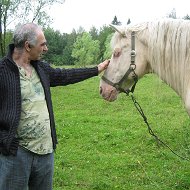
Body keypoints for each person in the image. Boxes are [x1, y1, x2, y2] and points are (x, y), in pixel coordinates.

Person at [0, 23, 109, 190]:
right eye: (42, 44)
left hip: (46, 152)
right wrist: (4, 141)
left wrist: (97, 69)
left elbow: (66, 75)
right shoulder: (2, 72)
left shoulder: (41, 68)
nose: (46, 48)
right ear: (28, 46)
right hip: (16, 155)